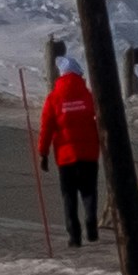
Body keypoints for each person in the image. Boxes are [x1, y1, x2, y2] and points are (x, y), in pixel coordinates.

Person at [36, 60, 107, 245]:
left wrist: (43, 153)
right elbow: (100, 123)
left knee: (69, 196)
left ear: (61, 75)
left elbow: (47, 127)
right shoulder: (89, 96)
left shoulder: (53, 98)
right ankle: (91, 222)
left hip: (65, 156)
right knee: (89, 191)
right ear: (78, 75)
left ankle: (74, 236)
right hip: (89, 154)